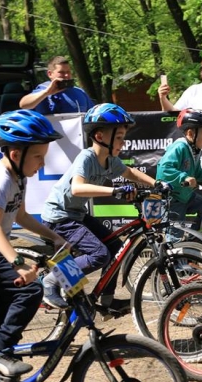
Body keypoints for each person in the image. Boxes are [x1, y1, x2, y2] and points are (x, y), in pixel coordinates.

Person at [0, 110, 66, 377]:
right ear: (16, 154)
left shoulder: (19, 177)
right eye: (38, 156)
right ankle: (0, 355)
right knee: (30, 291)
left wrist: (54, 237)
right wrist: (17, 262)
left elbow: (21, 215)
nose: (42, 163)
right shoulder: (0, 180)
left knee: (4, 305)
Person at [41, 103, 157, 310]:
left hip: (76, 214)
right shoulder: (87, 157)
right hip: (59, 216)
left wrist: (156, 184)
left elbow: (129, 173)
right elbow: (77, 188)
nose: (123, 142)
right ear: (101, 137)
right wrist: (114, 191)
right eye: (119, 137)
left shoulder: (111, 161)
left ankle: (106, 301)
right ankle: (51, 280)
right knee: (99, 254)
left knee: (116, 248)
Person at [156, 109, 202, 231]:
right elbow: (164, 169)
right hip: (173, 199)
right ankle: (176, 247)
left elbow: (196, 173)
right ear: (191, 134)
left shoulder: (194, 150)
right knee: (175, 234)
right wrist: (184, 177)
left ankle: (195, 240)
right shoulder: (179, 147)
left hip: (186, 196)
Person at [19, 55, 94, 115]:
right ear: (50, 74)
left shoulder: (79, 92)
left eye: (68, 72)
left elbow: (93, 114)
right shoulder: (44, 89)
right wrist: (46, 93)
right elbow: (23, 105)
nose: (67, 75)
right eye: (62, 72)